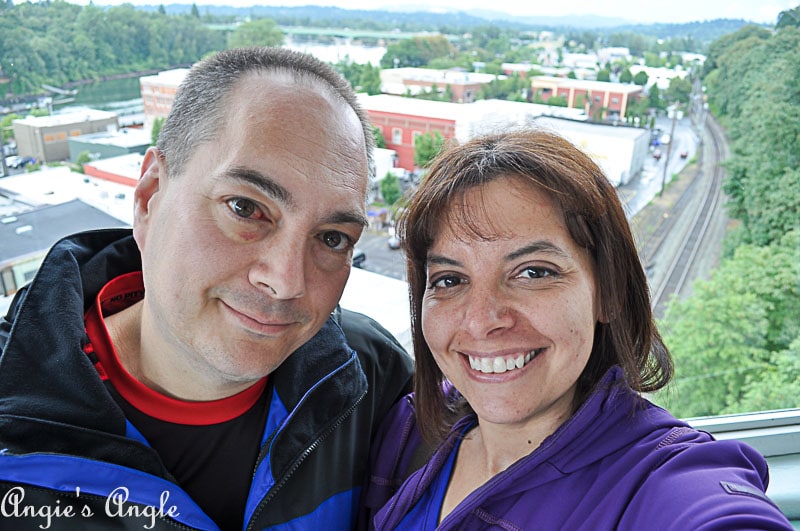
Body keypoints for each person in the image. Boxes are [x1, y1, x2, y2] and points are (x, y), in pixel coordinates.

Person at [0, 47, 413, 530]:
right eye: (244, 207)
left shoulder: (373, 381)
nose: (284, 281)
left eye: (331, 238)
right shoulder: (16, 436)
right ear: (150, 196)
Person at [359, 129, 793, 530]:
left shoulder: (655, 480)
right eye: (450, 280)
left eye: (533, 272)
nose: (481, 320)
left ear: (608, 293)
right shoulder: (407, 431)